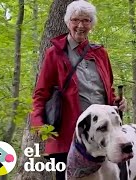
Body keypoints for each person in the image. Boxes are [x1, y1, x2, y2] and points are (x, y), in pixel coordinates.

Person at [30, 1, 127, 179]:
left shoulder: (100, 53)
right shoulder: (55, 54)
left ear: (92, 24)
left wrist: (116, 103)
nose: (81, 25)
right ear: (68, 22)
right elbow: (41, 93)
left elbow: (107, 90)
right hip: (67, 136)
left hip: (100, 137)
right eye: (75, 20)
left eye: (86, 20)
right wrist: (38, 123)